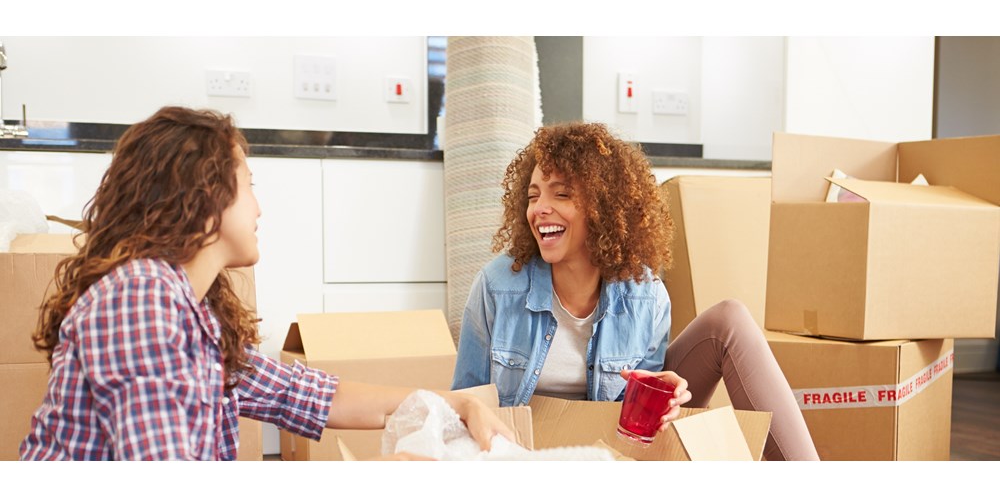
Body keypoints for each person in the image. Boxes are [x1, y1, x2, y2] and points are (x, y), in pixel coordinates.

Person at [19, 106, 513, 461]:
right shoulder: (140, 300)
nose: (259, 207)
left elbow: (310, 395)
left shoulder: (190, 314)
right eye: (249, 184)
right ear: (206, 193)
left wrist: (456, 403)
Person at [452, 122, 819, 461]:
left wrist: (662, 397)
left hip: (610, 449)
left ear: (603, 208)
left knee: (730, 319)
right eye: (533, 197)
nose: (540, 209)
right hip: (525, 454)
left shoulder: (646, 296)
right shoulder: (498, 286)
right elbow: (464, 405)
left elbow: (632, 418)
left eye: (561, 194)